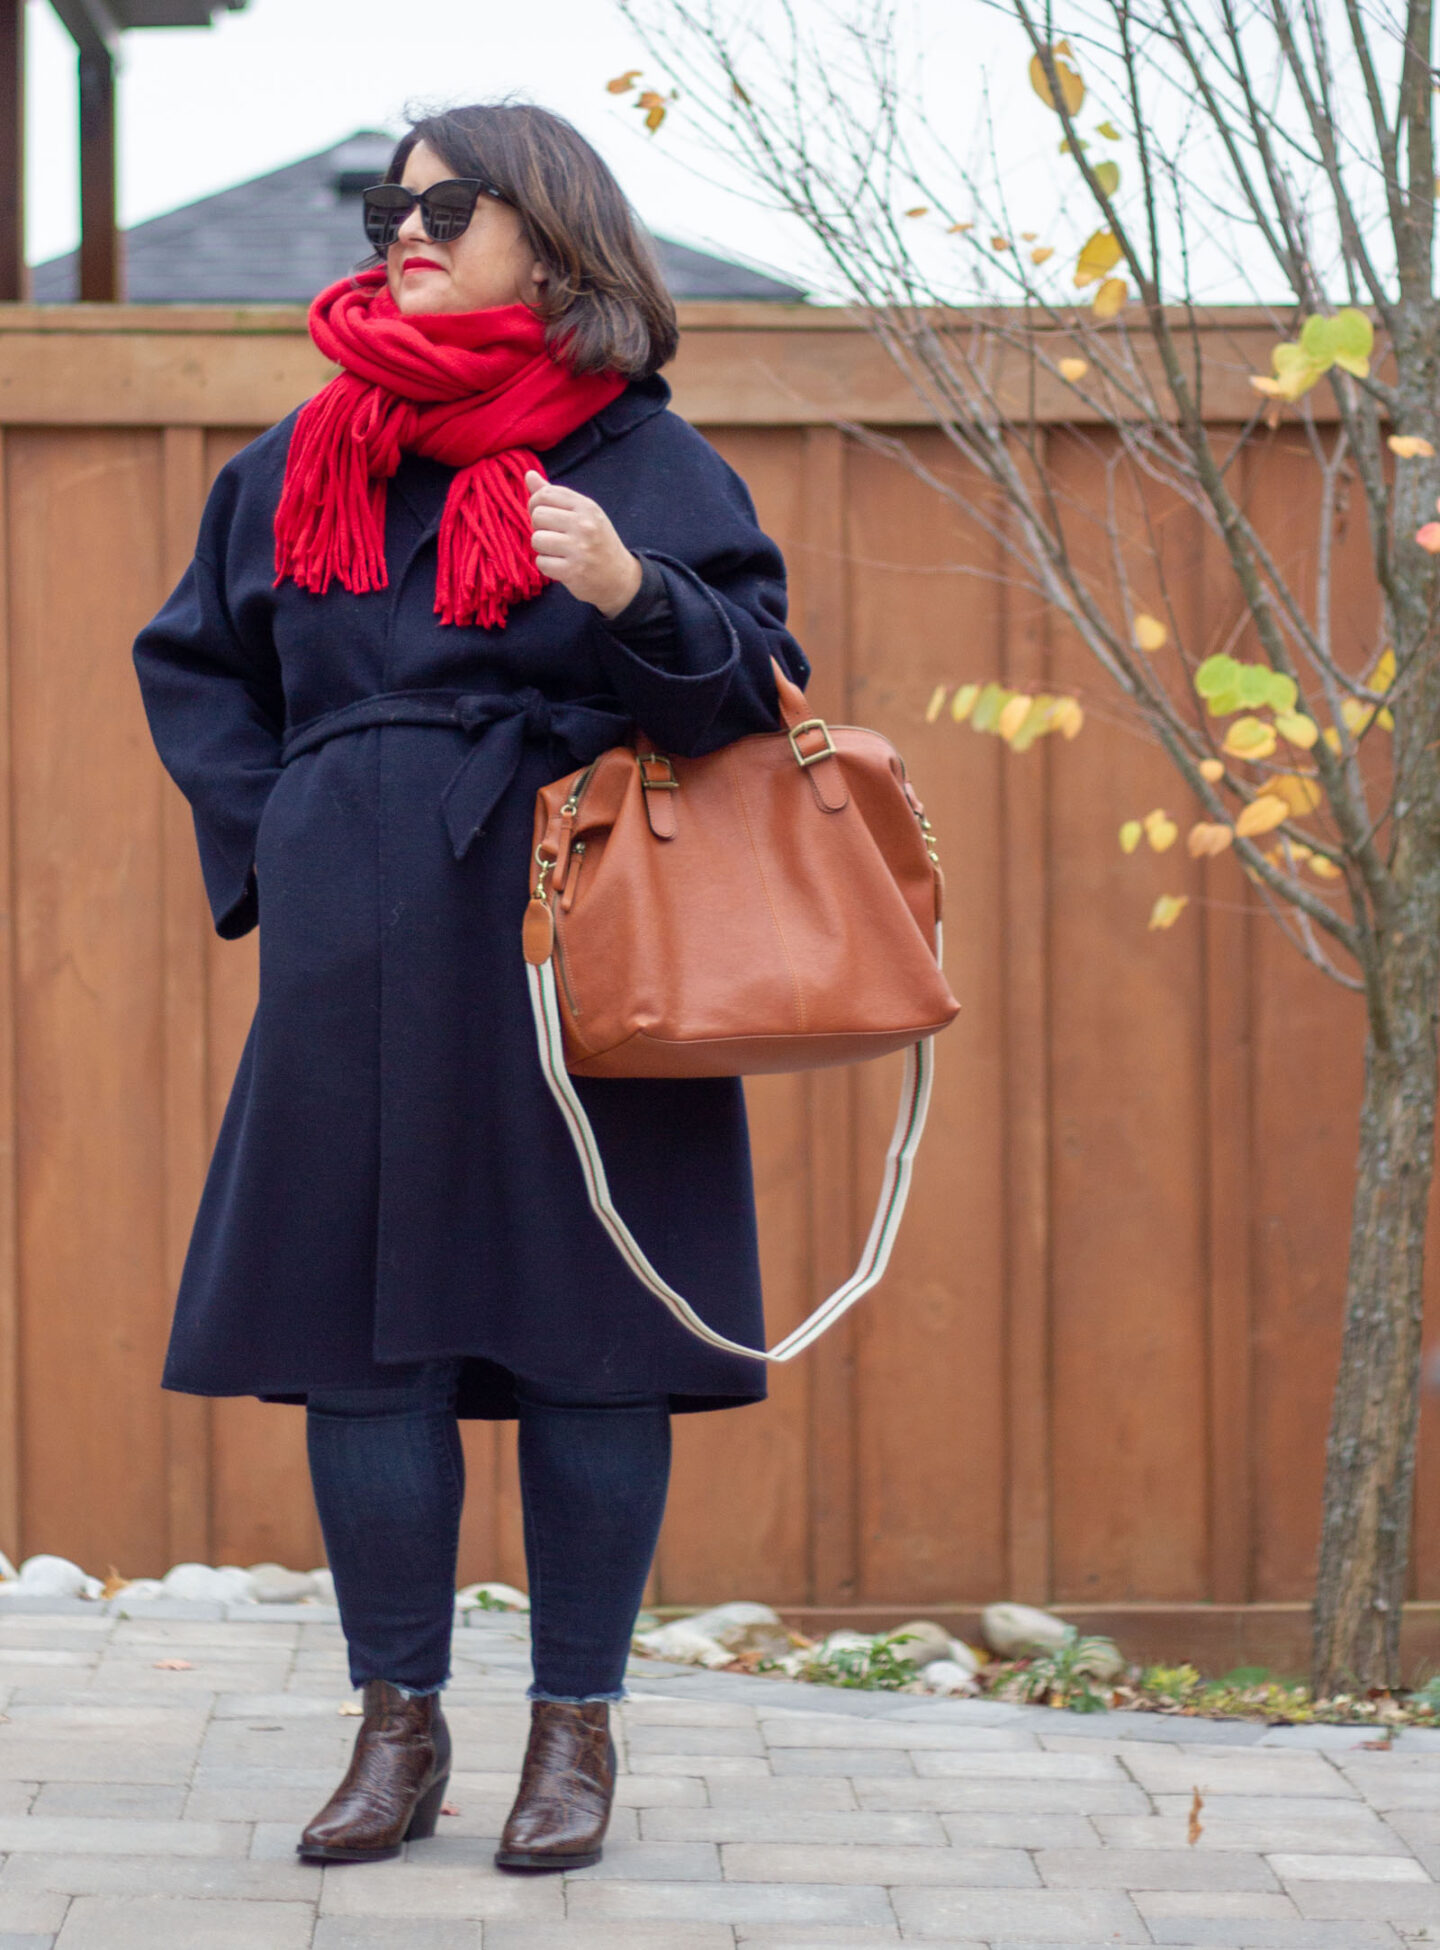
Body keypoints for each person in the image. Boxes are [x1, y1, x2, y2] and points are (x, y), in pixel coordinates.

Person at [131, 101, 809, 1873]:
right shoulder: (300, 458)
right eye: (389, 205)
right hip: (356, 934)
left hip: (571, 939)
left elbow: (758, 688)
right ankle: (396, 1727)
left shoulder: (646, 458)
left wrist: (636, 594)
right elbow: (196, 663)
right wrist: (282, 838)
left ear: (554, 230)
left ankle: (574, 1729)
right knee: (370, 1354)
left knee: (592, 1344)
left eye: (448, 203)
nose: (404, 229)